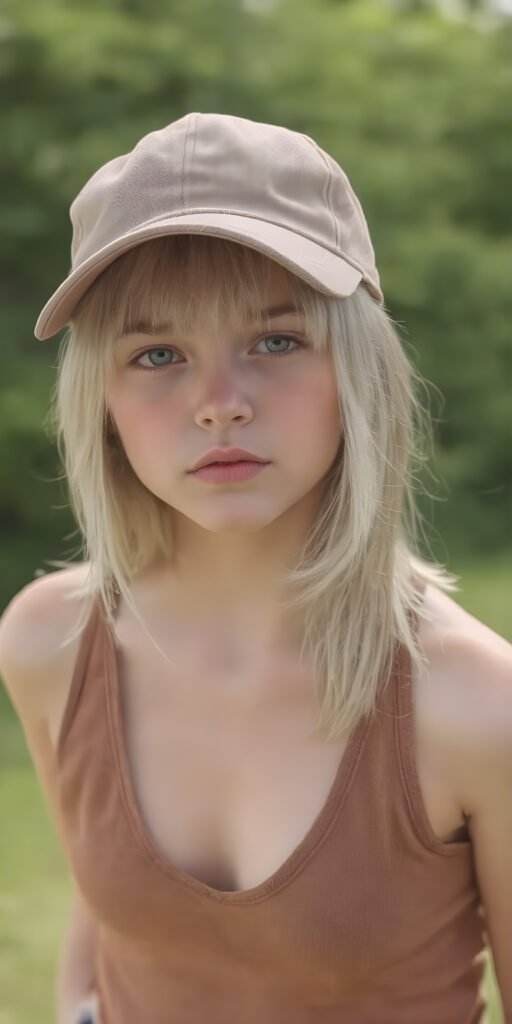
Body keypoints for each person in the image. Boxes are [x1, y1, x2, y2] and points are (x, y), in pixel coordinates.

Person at [0, 112, 511, 1024]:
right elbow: (107, 925)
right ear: (102, 401)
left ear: (358, 366)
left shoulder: (473, 704)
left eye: (275, 341)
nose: (218, 406)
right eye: (158, 354)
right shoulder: (50, 643)